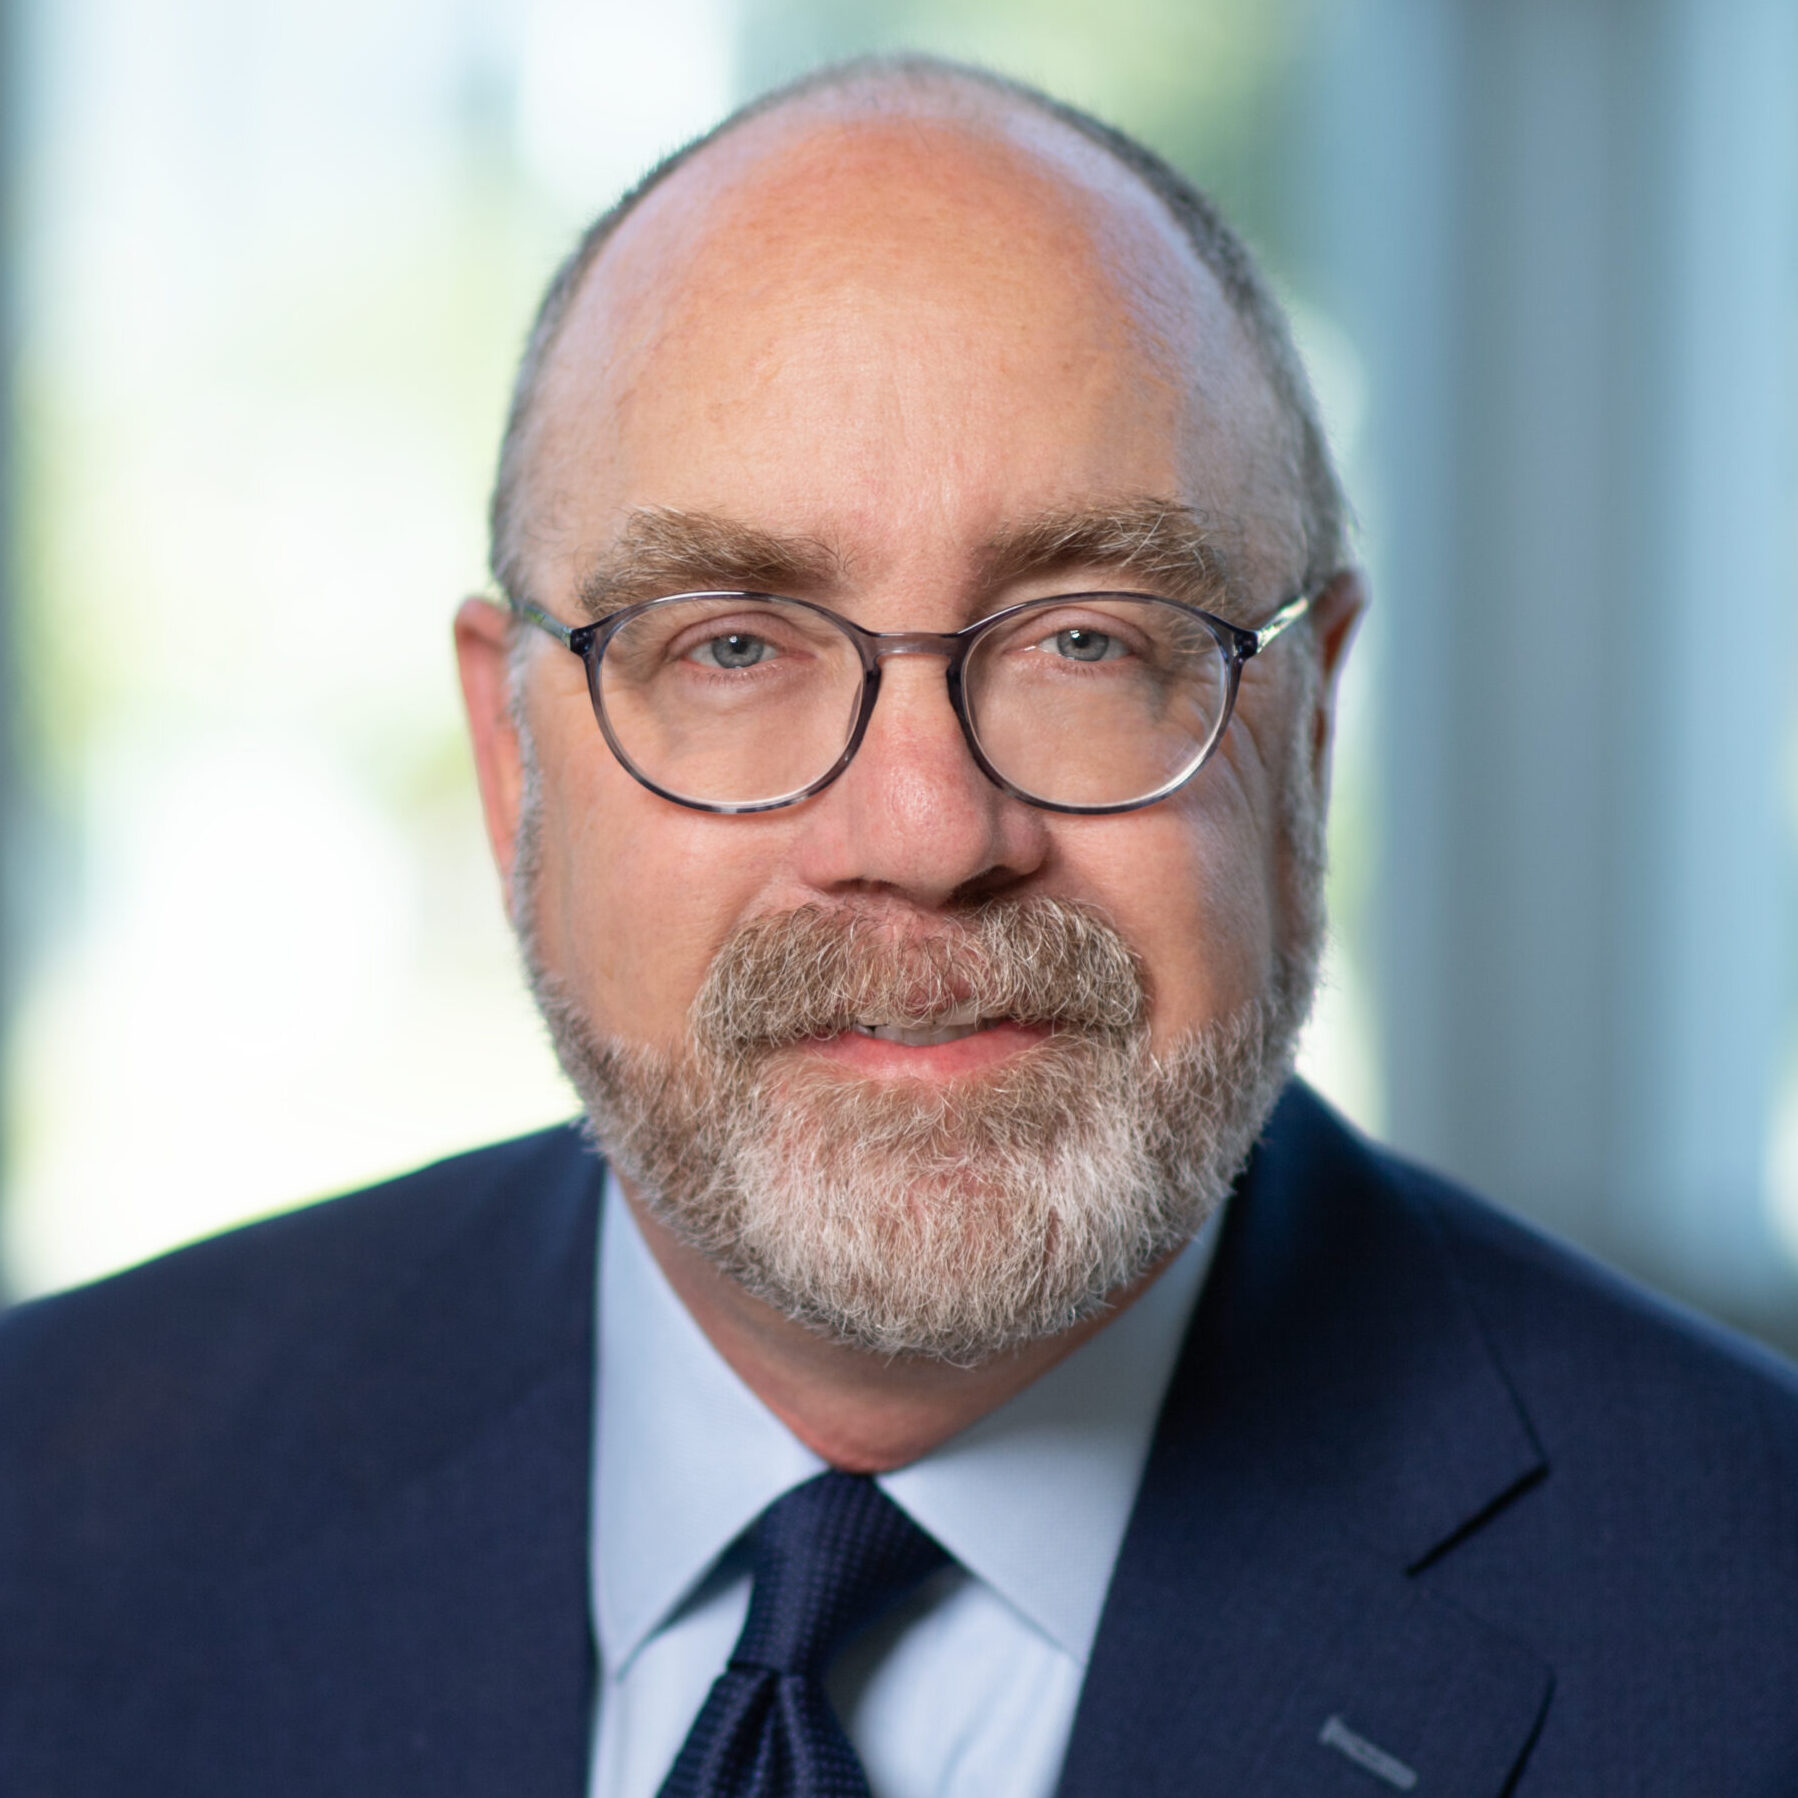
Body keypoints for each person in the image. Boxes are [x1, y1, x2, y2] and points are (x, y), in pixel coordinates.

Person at [4, 55, 1796, 1798]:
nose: (928, 834)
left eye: (1090, 639)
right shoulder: (50, 1506)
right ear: (507, 754)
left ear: (1307, 733)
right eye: (730, 646)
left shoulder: (1749, 1623)